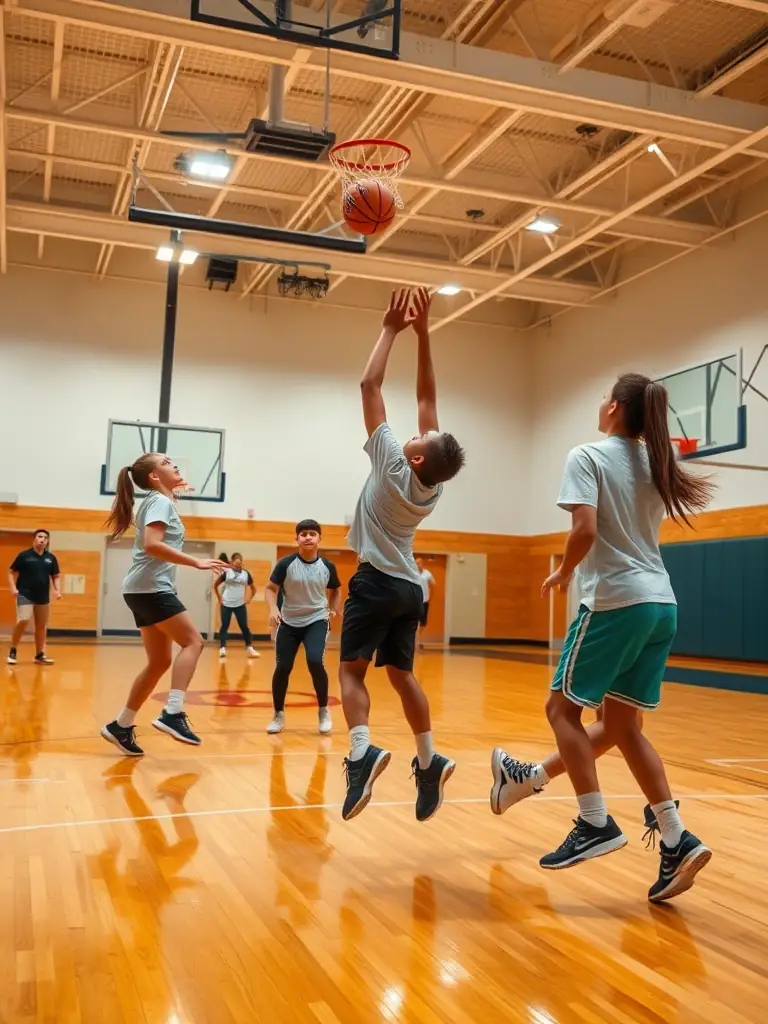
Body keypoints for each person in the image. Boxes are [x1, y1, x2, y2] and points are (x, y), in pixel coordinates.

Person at [491, 373, 714, 903]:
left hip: (616, 601)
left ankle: (594, 821)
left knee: (560, 711)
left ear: (614, 407)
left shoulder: (587, 456)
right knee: (622, 726)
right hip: (662, 604)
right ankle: (677, 838)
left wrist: (565, 571)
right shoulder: (657, 462)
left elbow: (585, 530)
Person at [339, 287, 466, 823]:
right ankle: (428, 759)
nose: (420, 428)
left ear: (412, 454)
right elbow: (427, 402)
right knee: (402, 675)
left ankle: (360, 751)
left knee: (351, 673)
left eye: (420, 436)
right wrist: (426, 333)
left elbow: (369, 384)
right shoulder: (431, 485)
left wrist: (391, 328)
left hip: (375, 582)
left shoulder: (392, 462)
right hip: (409, 588)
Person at [100, 453, 227, 756]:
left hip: (139, 589)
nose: (175, 464)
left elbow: (160, 527)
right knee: (193, 642)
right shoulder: (159, 502)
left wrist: (176, 489)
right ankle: (172, 712)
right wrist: (196, 562)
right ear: (154, 477)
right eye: (167, 462)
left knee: (159, 662)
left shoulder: (161, 500)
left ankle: (121, 725)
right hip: (151, 588)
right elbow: (152, 544)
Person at [265, 520, 342, 736]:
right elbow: (270, 589)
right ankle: (278, 714)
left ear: (319, 538)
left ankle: (323, 710)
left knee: (315, 661)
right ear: (297, 538)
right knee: (283, 666)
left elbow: (336, 590)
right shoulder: (286, 564)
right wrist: (273, 608)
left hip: (316, 620)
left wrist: (334, 610)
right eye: (303, 534)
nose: (308, 537)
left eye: (312, 534)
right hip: (289, 622)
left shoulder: (327, 566)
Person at [6, 529, 61, 665]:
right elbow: (10, 572)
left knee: (41, 625)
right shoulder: (24, 555)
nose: (42, 539)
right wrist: (13, 588)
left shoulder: (50, 558)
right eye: (40, 537)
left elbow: (56, 576)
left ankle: (39, 654)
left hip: (42, 596)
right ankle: (13, 650)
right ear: (34, 539)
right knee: (23, 619)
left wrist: (57, 590)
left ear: (47, 541)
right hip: (25, 593)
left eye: (45, 538)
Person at [214, 552, 260, 660]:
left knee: (244, 626)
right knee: (225, 626)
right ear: (232, 562)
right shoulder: (227, 573)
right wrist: (219, 598)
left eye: (240, 564)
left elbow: (254, 589)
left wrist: (249, 598)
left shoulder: (246, 574)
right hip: (226, 603)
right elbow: (215, 585)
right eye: (236, 564)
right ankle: (222, 648)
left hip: (239, 604)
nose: (238, 566)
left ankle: (250, 648)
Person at [415, 557, 434, 647]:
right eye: (416, 563)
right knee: (414, 620)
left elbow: (433, 585)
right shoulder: (413, 573)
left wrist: (430, 598)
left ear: (422, 564)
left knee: (423, 621)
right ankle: (414, 640)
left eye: (418, 563)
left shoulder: (427, 574)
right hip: (415, 600)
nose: (417, 565)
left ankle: (419, 638)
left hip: (425, 600)